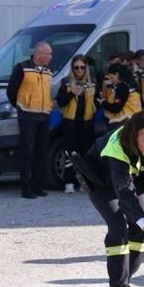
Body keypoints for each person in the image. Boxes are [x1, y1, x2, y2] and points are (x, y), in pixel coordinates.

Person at [79, 110, 144, 287]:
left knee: (139, 230)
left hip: (133, 180)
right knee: (118, 226)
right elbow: (125, 196)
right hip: (102, 182)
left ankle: (125, 283)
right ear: (135, 134)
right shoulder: (117, 146)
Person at [6, 41, 54, 199]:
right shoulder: (22, 68)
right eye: (49, 54)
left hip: (44, 115)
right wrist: (21, 105)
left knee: (41, 151)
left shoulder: (48, 72)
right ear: (39, 54)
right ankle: (25, 187)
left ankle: (37, 185)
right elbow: (11, 90)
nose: (51, 57)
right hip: (27, 115)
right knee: (27, 151)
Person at [56, 53, 97, 193]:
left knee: (85, 155)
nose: (79, 70)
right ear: (72, 69)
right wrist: (71, 93)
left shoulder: (93, 82)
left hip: (87, 124)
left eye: (82, 67)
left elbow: (98, 101)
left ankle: (84, 183)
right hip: (70, 124)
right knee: (71, 154)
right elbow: (60, 102)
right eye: (76, 68)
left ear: (86, 68)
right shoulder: (66, 82)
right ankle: (69, 182)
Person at [100, 63, 141, 131]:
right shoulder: (133, 84)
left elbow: (116, 108)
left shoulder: (123, 87)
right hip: (135, 119)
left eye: (112, 77)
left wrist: (103, 102)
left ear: (117, 74)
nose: (111, 80)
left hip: (122, 122)